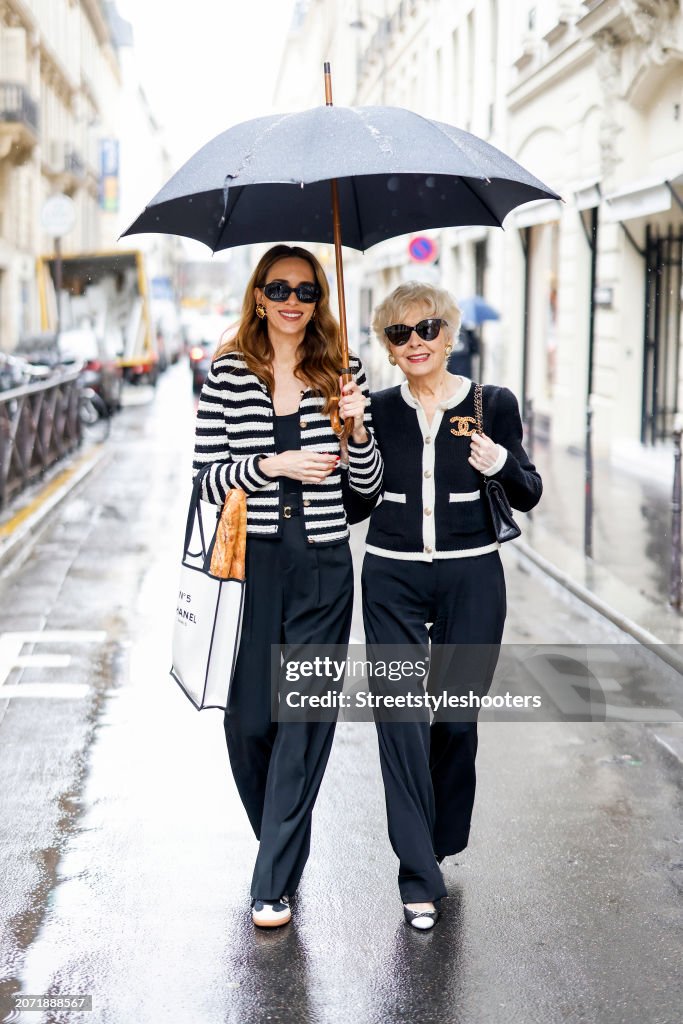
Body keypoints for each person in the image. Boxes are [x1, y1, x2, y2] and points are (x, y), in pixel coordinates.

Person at [192, 244, 382, 928]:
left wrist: (357, 430)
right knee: (249, 726)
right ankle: (282, 846)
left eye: (305, 290)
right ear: (258, 296)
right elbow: (205, 482)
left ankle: (269, 880)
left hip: (324, 568)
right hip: (252, 567)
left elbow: (365, 490)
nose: (293, 300)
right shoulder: (226, 376)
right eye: (280, 288)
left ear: (317, 300)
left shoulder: (343, 373)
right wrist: (273, 464)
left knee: (301, 722)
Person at [362, 281, 542, 930]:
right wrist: (354, 442)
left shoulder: (492, 403)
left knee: (454, 721)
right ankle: (416, 875)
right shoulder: (375, 411)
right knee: (400, 721)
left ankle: (436, 839)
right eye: (399, 334)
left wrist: (497, 462)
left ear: (451, 332)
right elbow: (356, 507)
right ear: (386, 345)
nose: (416, 343)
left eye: (428, 329)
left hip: (471, 578)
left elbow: (527, 493)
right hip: (392, 579)